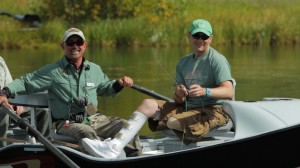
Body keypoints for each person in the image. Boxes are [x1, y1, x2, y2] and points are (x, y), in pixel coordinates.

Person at [81, 18, 234, 158]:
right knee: (148, 104)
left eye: (204, 37)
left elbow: (229, 91)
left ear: (211, 38)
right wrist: (179, 94)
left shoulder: (217, 60)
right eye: (196, 36)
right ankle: (114, 146)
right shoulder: (183, 62)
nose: (200, 40)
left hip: (212, 110)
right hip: (187, 107)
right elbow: (178, 100)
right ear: (189, 37)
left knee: (174, 121)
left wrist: (205, 91)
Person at [0, 28, 141, 157]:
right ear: (63, 46)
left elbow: (105, 89)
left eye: (79, 42)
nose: (75, 46)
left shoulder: (95, 69)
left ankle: (136, 160)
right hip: (66, 123)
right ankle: (95, 161)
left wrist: (119, 83)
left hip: (94, 119)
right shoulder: (52, 71)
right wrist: (4, 92)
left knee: (127, 127)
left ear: (84, 45)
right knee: (85, 131)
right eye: (70, 42)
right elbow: (26, 81)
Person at [0, 56, 49, 147]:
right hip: (3, 109)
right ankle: (2, 150)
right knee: (4, 112)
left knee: (44, 112)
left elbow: (10, 86)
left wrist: (17, 101)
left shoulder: (0, 61)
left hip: (9, 104)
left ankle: (44, 148)